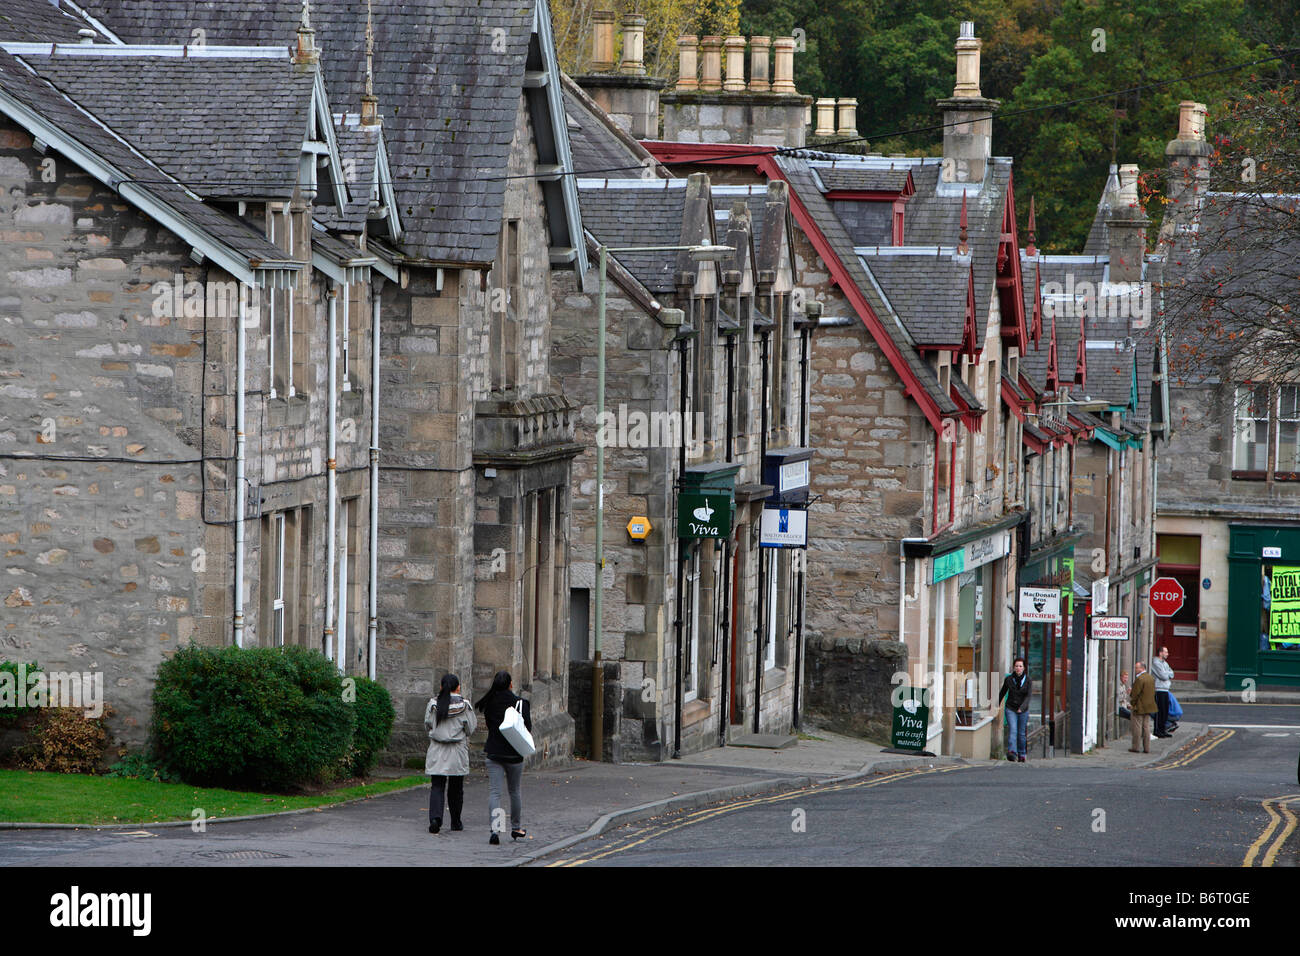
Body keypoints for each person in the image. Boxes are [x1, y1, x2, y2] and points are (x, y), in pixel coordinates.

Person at [475, 670, 531, 845]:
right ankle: (516, 828)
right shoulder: (521, 704)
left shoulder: (489, 703)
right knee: (514, 791)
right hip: (514, 754)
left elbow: (491, 726)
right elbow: (527, 727)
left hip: (494, 752)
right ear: (510, 684)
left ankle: (496, 830)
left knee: (495, 793)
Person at [424, 672, 476, 834]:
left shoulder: (433, 704)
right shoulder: (465, 706)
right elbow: (470, 729)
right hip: (457, 750)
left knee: (437, 786)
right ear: (458, 687)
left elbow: (427, 725)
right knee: (456, 788)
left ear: (441, 687)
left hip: (437, 749)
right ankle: (456, 821)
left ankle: (435, 819)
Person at [998, 658, 1032, 763]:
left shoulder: (1028, 680)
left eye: (1020, 666)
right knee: (1013, 730)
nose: (1018, 668)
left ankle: (1022, 754)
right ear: (1014, 667)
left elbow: (1028, 697)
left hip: (1023, 710)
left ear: (1024, 668)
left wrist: (1021, 708)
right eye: (1016, 666)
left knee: (1021, 733)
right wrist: (996, 704)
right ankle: (1012, 752)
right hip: (1011, 708)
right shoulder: (1009, 679)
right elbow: (1003, 692)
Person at [1129, 661, 1156, 753]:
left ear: (1142, 668)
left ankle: (1135, 747)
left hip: (1139, 706)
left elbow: (1135, 694)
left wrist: (1132, 703)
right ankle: (1147, 748)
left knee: (1137, 727)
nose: (1135, 669)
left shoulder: (1139, 679)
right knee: (1146, 727)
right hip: (1148, 706)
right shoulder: (1150, 678)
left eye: (1137, 668)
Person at [1150, 646, 1174, 737]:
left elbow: (1172, 673)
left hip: (1165, 690)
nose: (1167, 654)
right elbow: (1163, 676)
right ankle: (1157, 731)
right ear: (1160, 653)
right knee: (1159, 711)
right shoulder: (1156, 662)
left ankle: (1163, 730)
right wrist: (1167, 674)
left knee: (1165, 711)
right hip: (1158, 689)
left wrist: (1167, 673)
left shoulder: (1165, 663)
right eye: (1166, 652)